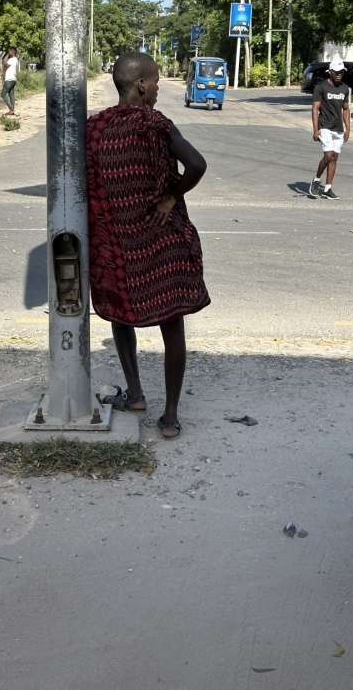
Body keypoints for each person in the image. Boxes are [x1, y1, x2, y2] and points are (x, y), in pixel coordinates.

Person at [86, 52, 210, 438]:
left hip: (117, 246)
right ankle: (170, 416)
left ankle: (136, 393)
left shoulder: (95, 128)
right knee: (171, 324)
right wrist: (171, 197)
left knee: (121, 316)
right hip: (161, 241)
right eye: (155, 81)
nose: (157, 88)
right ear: (141, 85)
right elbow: (197, 165)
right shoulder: (154, 123)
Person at [309, 59, 351, 200]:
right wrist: (315, 129)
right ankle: (316, 180)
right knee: (328, 156)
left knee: (334, 158)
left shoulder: (345, 88)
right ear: (331, 72)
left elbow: (346, 109)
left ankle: (327, 189)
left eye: (342, 72)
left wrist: (348, 128)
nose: (340, 74)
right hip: (324, 126)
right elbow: (315, 108)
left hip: (338, 128)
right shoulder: (321, 87)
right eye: (337, 72)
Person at [1, 46, 19, 116]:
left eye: (9, 52)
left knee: (3, 94)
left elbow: (5, 67)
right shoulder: (16, 60)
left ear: (12, 52)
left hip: (9, 79)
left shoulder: (11, 60)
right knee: (11, 95)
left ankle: (11, 109)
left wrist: (7, 59)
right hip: (14, 80)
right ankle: (12, 111)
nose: (8, 53)